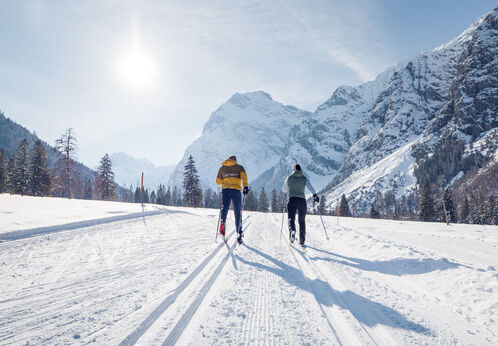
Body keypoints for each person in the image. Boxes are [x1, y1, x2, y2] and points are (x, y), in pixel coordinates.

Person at [282, 164, 319, 246]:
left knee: (291, 219)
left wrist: (289, 189)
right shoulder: (304, 178)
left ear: (293, 170)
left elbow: (284, 190)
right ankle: (302, 240)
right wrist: (315, 195)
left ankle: (292, 231)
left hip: (292, 200)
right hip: (302, 201)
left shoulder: (289, 177)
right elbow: (310, 187)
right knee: (301, 221)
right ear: (300, 170)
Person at [216, 155, 249, 244]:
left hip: (226, 190)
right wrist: (245, 187)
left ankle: (223, 222)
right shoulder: (239, 167)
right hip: (236, 191)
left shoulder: (222, 168)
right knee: (238, 212)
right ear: (235, 160)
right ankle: (239, 232)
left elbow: (218, 181)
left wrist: (226, 180)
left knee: (225, 207)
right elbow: (244, 177)